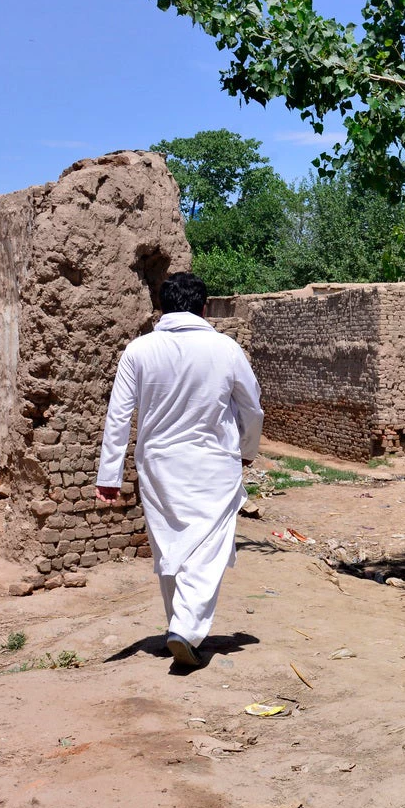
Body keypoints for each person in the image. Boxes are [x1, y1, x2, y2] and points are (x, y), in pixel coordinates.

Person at [96, 272, 264, 668]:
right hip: (213, 466)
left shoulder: (139, 350)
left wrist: (109, 475)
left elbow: (118, 415)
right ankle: (185, 629)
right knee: (207, 549)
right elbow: (252, 407)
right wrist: (248, 449)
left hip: (157, 466)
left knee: (171, 547)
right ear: (204, 307)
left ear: (163, 306)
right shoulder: (225, 349)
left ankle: (178, 626)